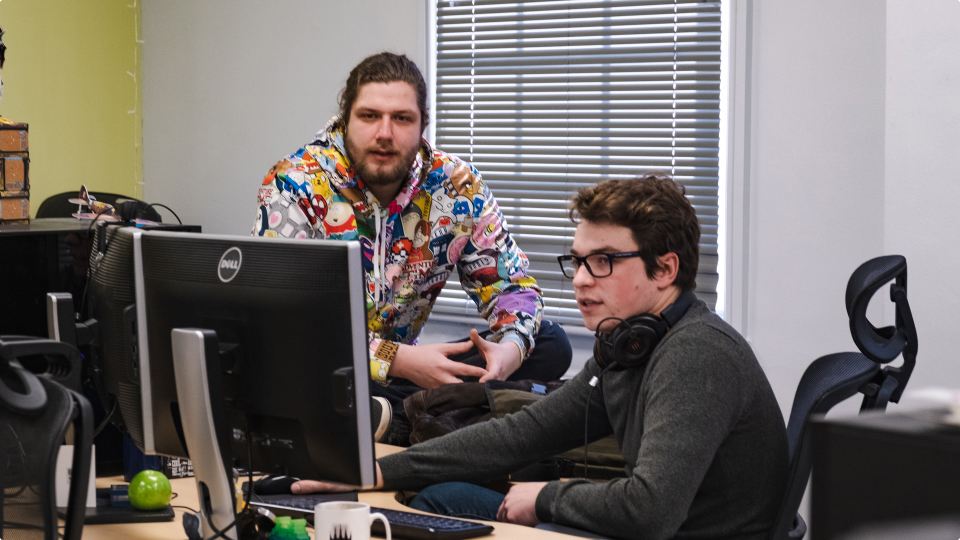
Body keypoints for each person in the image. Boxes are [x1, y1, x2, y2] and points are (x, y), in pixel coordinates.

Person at [293, 173, 789, 540]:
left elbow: (650, 510)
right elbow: (523, 433)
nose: (579, 280)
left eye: (603, 262)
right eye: (577, 261)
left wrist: (545, 499)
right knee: (442, 492)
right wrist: (379, 471)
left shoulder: (695, 356)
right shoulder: (631, 347)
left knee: (445, 503)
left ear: (665, 269)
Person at [252, 52, 571, 441]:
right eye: (369, 116)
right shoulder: (294, 183)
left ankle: (397, 416)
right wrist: (397, 360)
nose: (384, 133)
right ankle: (423, 413)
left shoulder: (456, 186)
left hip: (399, 380)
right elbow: (286, 321)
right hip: (327, 368)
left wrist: (509, 351)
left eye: (401, 118)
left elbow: (514, 288)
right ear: (345, 118)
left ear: (423, 125)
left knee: (552, 342)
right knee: (288, 372)